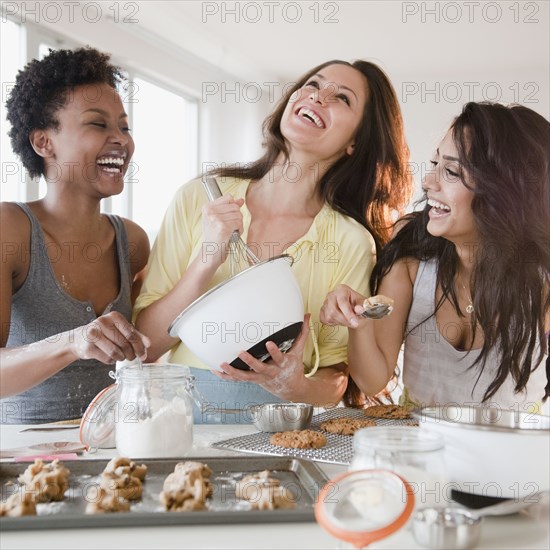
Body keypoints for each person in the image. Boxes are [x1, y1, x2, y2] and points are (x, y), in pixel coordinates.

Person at [135, 60, 413, 421]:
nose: (319, 95)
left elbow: (336, 379)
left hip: (283, 433)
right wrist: (206, 260)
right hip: (184, 423)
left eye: (342, 97)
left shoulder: (350, 241)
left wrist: (291, 384)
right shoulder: (199, 198)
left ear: (355, 143)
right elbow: (145, 345)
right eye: (314, 83)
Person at [321, 102, 549, 411]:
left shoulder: (541, 278)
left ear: (503, 194)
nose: (428, 182)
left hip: (511, 449)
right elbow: (372, 380)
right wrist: (358, 324)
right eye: (435, 164)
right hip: (422, 443)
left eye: (452, 171)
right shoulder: (412, 251)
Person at [0, 47, 151, 424]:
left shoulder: (132, 242)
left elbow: (147, 349)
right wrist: (73, 341)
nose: (121, 140)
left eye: (124, 127)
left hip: (113, 455)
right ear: (43, 142)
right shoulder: (11, 229)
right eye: (98, 125)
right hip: (26, 462)